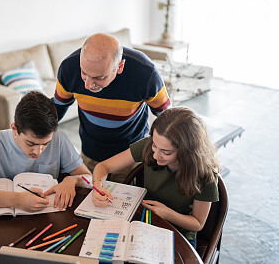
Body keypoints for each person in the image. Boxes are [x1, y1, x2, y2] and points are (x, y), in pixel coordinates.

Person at [91, 107, 220, 249]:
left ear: (187, 151)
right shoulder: (148, 146)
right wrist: (98, 187)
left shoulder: (205, 175)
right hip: (144, 220)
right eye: (154, 145)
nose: (155, 155)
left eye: (166, 152)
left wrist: (167, 214)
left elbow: (198, 223)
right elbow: (103, 167)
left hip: (179, 233)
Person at [53, 33, 171, 183]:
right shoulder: (69, 68)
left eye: (98, 77)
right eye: (84, 73)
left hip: (129, 157)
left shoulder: (145, 74)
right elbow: (58, 106)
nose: (88, 85)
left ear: (119, 67)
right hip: (89, 152)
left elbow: (166, 117)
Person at [0, 91, 91, 212]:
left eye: (45, 144)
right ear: (14, 129)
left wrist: (72, 180)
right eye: (31, 143)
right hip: (6, 220)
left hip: (46, 216)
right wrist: (17, 200)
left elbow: (89, 178)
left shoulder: (59, 139)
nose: (38, 152)